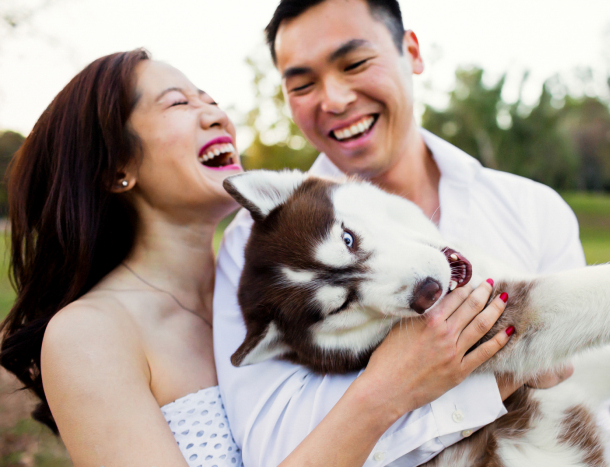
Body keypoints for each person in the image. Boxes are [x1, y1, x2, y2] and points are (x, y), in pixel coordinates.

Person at [0, 49, 518, 467]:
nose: (214, 111)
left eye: (207, 96)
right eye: (179, 103)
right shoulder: (89, 335)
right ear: (117, 168)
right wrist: (382, 394)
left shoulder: (301, 291)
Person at [213, 0, 610, 466]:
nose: (333, 99)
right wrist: (400, 385)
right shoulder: (255, 252)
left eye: (354, 63)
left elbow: (568, 373)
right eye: (303, 84)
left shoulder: (531, 206)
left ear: (411, 52)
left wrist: (534, 358)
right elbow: (276, 448)